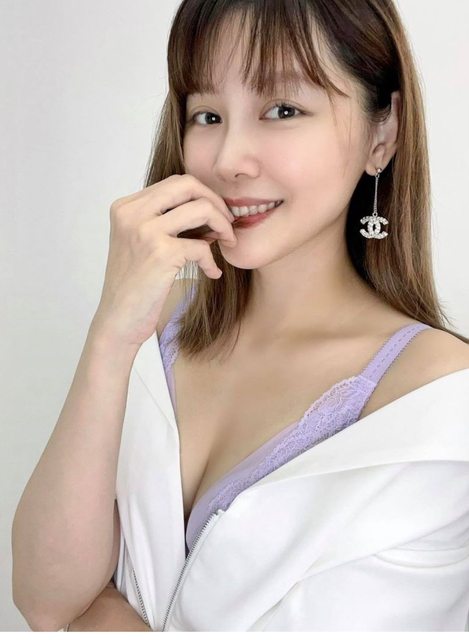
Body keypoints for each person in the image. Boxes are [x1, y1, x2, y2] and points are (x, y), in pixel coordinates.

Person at [12, 0, 469, 632]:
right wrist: (110, 333)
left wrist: (101, 611)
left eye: (283, 110)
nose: (229, 159)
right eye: (207, 114)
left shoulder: (435, 399)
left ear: (382, 135)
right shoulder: (156, 324)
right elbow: (44, 600)